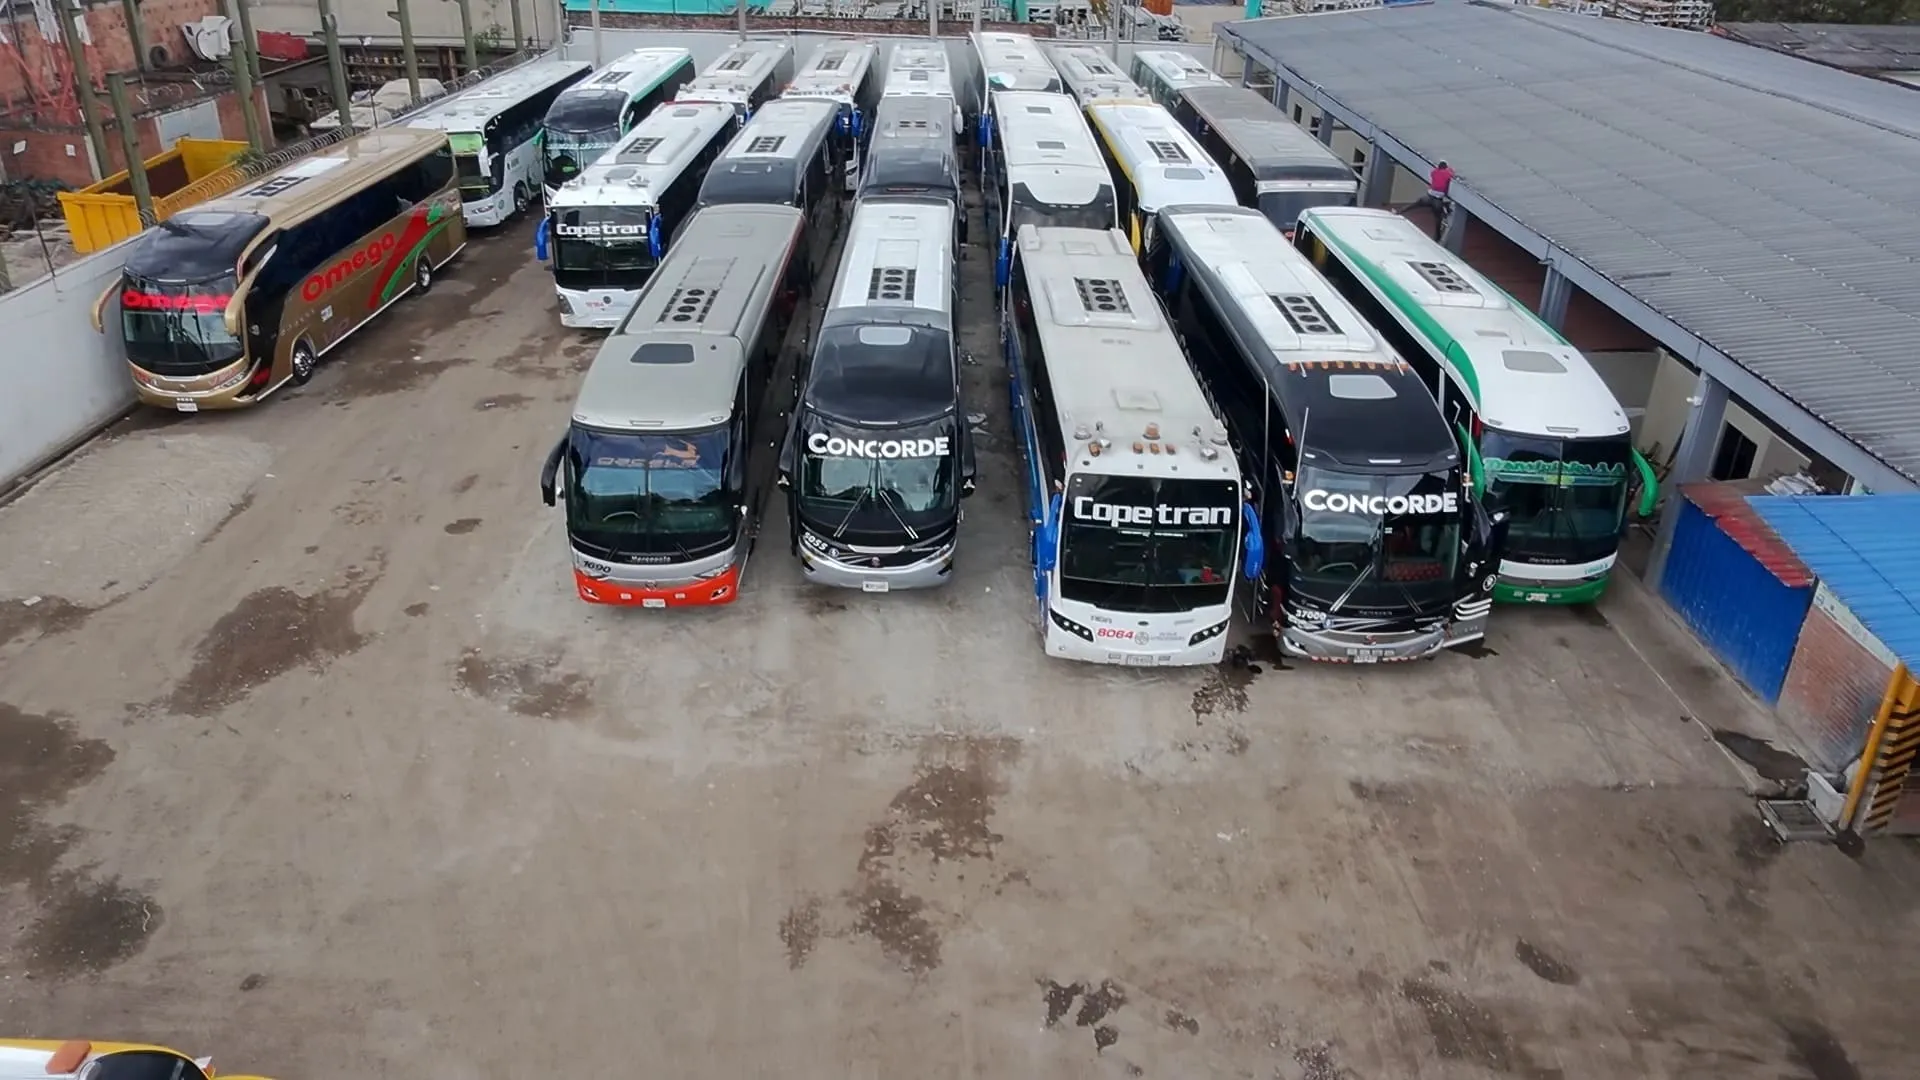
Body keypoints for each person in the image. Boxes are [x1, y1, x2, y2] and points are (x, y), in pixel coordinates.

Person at [1407, 160, 1455, 240]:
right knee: (1438, 218)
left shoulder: (1434, 172)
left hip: (1430, 195)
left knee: (1415, 205)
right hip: (1438, 197)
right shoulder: (1447, 174)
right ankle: (1437, 236)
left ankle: (1399, 211)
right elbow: (1451, 174)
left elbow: (1436, 171)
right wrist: (1449, 169)